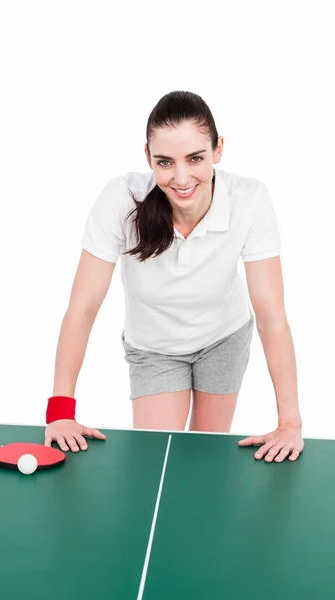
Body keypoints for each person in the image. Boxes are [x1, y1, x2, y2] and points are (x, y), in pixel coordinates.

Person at [44, 90, 304, 463]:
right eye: (165, 162)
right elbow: (82, 309)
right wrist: (60, 412)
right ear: (148, 158)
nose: (181, 178)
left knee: (202, 458)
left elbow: (271, 315)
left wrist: (290, 422)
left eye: (195, 158)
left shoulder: (249, 199)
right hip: (153, 349)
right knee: (156, 462)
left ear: (218, 150)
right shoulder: (121, 199)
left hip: (223, 338)